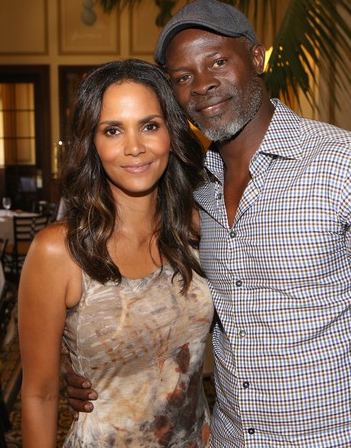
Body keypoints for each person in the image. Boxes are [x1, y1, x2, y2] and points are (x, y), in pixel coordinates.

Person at [66, 0, 351, 447]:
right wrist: (85, 370)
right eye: (182, 77)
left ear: (257, 58)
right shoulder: (191, 191)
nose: (202, 85)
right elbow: (133, 295)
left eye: (218, 61)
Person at [18, 59, 213, 447]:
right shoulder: (58, 252)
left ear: (171, 134)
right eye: (113, 130)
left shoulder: (199, 230)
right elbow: (39, 396)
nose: (134, 147)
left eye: (149, 125)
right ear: (93, 142)